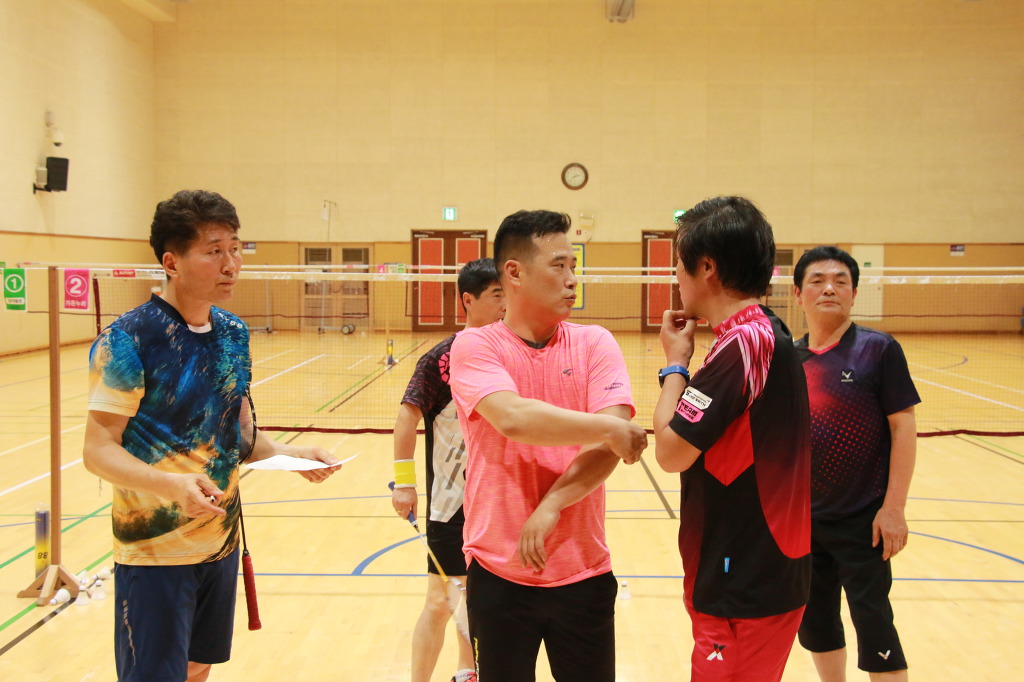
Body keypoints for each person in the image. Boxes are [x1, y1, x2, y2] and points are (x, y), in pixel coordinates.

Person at [83, 189, 341, 682]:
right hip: (155, 553)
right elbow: (97, 452)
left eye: (235, 249)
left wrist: (293, 455)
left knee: (199, 667)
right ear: (171, 262)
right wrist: (171, 484)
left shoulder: (233, 334)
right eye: (214, 250)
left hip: (219, 544)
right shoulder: (127, 341)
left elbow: (237, 439)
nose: (231, 264)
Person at [448, 210, 647, 682]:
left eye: (573, 266)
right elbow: (514, 418)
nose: (572, 279)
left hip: (583, 569)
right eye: (558, 265)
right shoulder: (475, 347)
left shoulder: (595, 343)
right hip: (499, 570)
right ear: (514, 273)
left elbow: (608, 444)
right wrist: (607, 428)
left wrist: (553, 503)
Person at [652, 196, 812, 682]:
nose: (676, 276)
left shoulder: (745, 345)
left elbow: (670, 451)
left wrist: (675, 365)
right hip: (753, 577)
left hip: (744, 584)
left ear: (707, 267)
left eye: (679, 264)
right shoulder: (762, 332)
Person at [792, 246, 919, 682]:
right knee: (816, 622)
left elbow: (903, 428)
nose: (829, 288)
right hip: (803, 520)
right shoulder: (789, 358)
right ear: (798, 294)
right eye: (817, 281)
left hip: (864, 520)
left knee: (875, 624)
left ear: (854, 293)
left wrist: (894, 508)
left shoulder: (878, 349)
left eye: (840, 281)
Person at [391, 258, 506, 682]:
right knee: (441, 600)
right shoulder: (441, 359)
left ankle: (466, 672)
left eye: (507, 295)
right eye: (496, 295)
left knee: (479, 599)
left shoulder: (513, 351)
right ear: (468, 300)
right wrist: (405, 485)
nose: (504, 304)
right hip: (451, 503)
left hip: (498, 501)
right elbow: (407, 418)